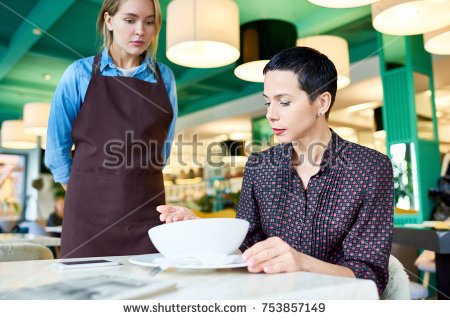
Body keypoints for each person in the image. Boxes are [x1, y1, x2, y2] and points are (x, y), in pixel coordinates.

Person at [157, 46, 394, 295]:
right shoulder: (259, 166)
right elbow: (246, 248)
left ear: (322, 102)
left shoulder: (370, 168)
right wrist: (203, 231)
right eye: (268, 102)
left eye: (284, 102)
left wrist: (301, 263)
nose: (271, 114)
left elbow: (370, 276)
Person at [45, 0, 177, 258]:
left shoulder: (165, 77)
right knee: (83, 292)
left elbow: (164, 147)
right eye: (130, 20)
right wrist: (85, 191)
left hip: (147, 211)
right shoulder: (78, 74)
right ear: (109, 21)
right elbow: (55, 149)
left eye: (149, 22)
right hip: (87, 216)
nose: (140, 30)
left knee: (145, 292)